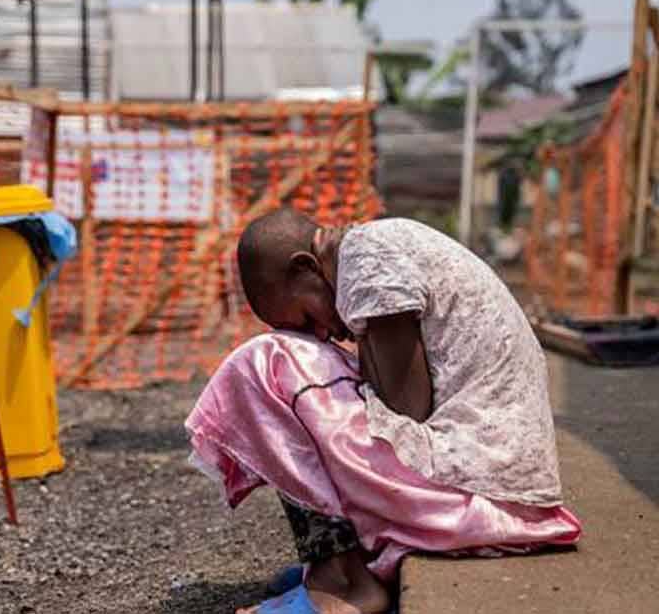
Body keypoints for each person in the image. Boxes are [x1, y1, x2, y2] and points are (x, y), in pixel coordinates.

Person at [185, 209, 581, 614]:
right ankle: (339, 566)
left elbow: (406, 410)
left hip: (482, 488)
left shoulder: (367, 258)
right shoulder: (370, 251)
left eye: (306, 318)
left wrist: (352, 339)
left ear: (306, 267)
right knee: (300, 376)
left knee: (266, 364)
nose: (321, 334)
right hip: (494, 482)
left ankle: (345, 584)